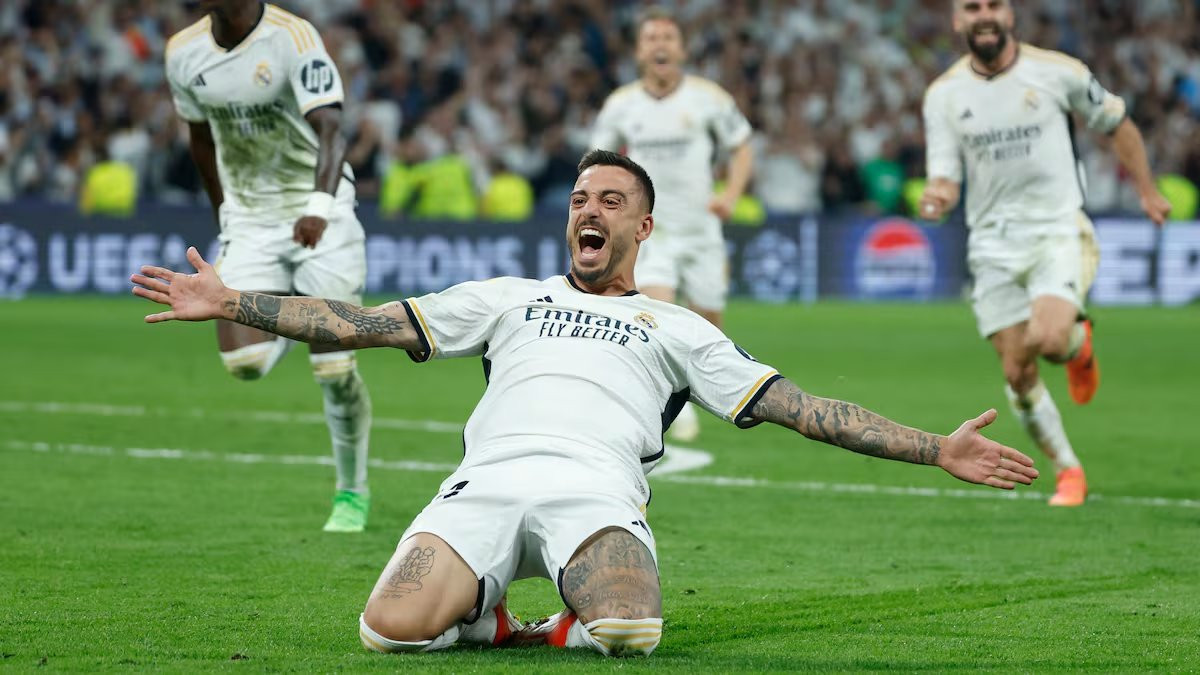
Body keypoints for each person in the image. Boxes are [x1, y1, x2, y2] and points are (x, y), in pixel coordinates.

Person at [132, 149, 1039, 658]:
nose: (587, 210)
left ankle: (546, 617)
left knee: (631, 629)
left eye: (609, 199)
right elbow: (363, 323)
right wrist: (233, 301)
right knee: (385, 630)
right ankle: (491, 620)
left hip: (595, 493)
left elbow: (802, 407)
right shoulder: (507, 298)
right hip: (484, 484)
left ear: (642, 226)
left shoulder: (677, 327)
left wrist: (936, 447)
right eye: (577, 199)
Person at [919, 0, 1171, 507]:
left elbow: (1118, 123)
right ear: (958, 20)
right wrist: (938, 196)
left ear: (1010, 15)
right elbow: (944, 174)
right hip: (991, 245)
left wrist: (1147, 191)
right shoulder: (943, 95)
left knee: (1050, 340)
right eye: (972, 7)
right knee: (1017, 372)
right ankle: (1068, 469)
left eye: (994, 5)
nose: (984, 15)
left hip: (1056, 230)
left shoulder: (1059, 72)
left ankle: (1076, 344)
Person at [164, 0, 373, 531]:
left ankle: (351, 492)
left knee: (334, 372)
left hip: (319, 210)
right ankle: (303, 319)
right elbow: (200, 140)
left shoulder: (293, 38)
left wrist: (319, 207)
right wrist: (225, 216)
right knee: (245, 363)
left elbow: (332, 129)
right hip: (251, 220)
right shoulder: (183, 52)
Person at [590, 6, 754, 443]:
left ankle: (695, 394)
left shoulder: (709, 98)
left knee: (709, 324)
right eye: (651, 39)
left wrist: (731, 195)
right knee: (656, 314)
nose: (660, 45)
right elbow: (597, 163)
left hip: (701, 230)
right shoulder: (621, 105)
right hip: (651, 231)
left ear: (681, 50)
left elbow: (741, 146)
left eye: (667, 38)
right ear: (639, 52)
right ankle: (667, 404)